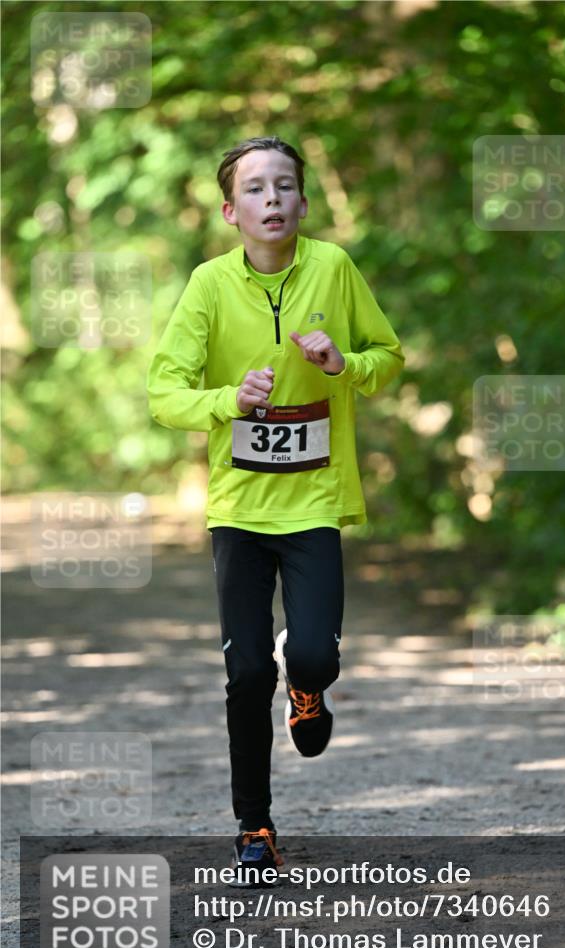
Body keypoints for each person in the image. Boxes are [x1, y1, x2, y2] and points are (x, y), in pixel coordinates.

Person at [146, 135, 404, 876]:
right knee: (245, 673)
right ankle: (253, 826)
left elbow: (387, 358)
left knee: (313, 653)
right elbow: (165, 394)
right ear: (231, 211)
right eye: (254, 189)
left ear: (301, 202)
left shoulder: (333, 267)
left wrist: (341, 364)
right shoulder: (207, 285)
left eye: (284, 186)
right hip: (238, 509)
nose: (271, 199)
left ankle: (309, 690)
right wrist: (230, 400)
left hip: (314, 501)